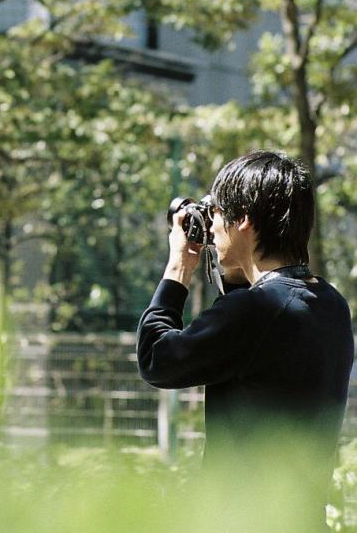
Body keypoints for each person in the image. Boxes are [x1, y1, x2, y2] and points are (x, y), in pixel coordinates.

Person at [137, 150, 354, 517]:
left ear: (244, 221)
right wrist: (237, 268)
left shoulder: (256, 310)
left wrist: (179, 267)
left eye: (217, 213)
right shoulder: (331, 304)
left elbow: (156, 359)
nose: (212, 227)